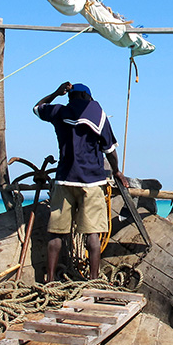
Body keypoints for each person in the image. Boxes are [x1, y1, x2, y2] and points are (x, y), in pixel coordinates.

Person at [33, 81, 125, 282]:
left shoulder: (59, 112)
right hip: (91, 182)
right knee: (92, 234)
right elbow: (110, 150)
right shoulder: (99, 116)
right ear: (88, 98)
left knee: (56, 234)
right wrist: (117, 172)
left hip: (64, 181)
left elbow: (37, 107)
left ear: (70, 98)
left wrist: (56, 92)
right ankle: (93, 281)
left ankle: (49, 281)